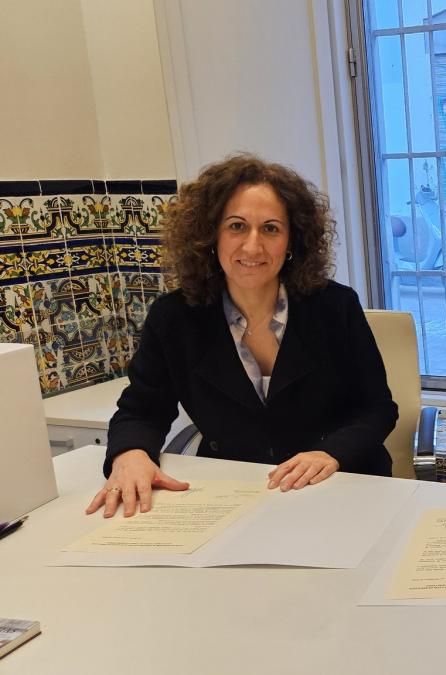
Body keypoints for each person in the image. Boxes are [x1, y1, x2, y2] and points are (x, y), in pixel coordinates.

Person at [86, 154, 398, 518]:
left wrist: (331, 452)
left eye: (270, 228)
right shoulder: (174, 318)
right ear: (210, 235)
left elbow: (377, 409)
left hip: (339, 487)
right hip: (237, 494)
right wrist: (131, 454)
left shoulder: (335, 306)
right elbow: (141, 410)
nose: (252, 247)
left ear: (292, 241)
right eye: (236, 226)